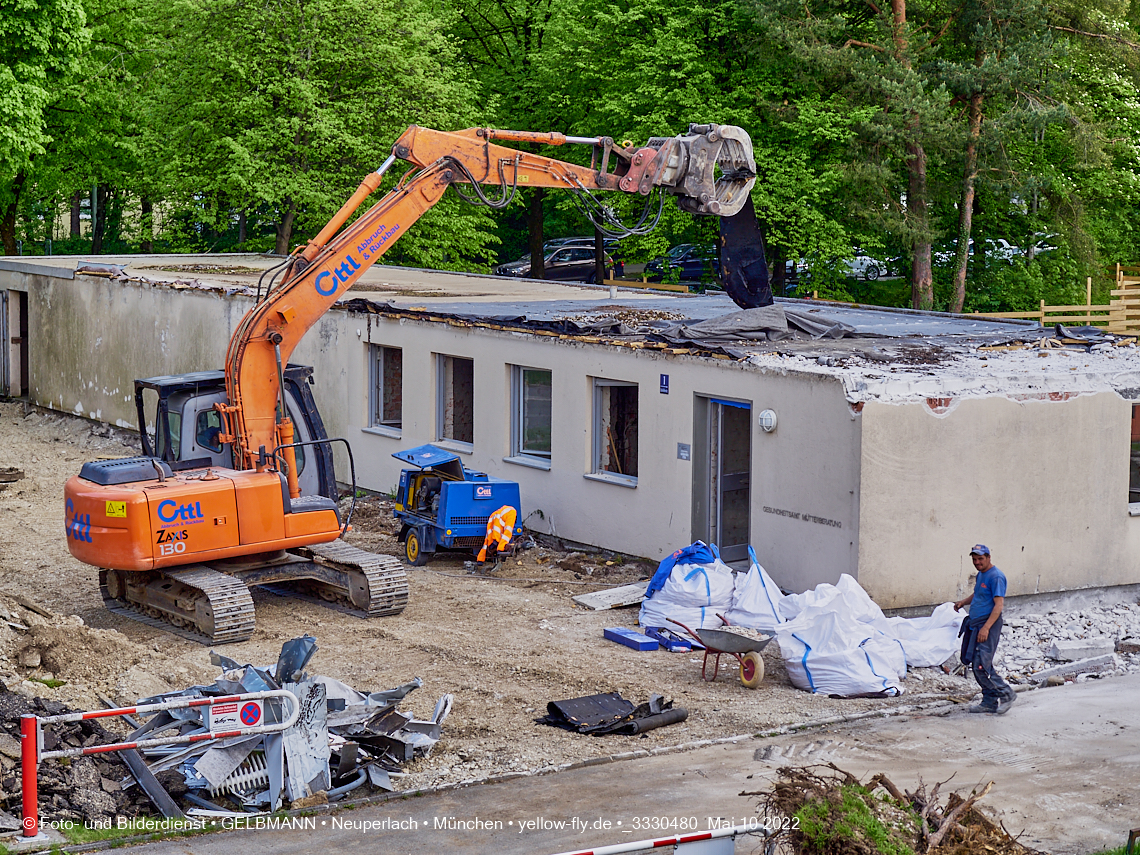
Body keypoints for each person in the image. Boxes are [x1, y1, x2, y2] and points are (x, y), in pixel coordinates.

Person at [953, 544, 1017, 714]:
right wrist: (963, 602)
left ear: (989, 558)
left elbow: (998, 606)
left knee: (982, 666)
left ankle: (1006, 694)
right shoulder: (982, 574)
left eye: (980, 559)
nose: (977, 562)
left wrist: (986, 628)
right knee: (977, 664)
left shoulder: (996, 577)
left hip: (987, 625)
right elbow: (978, 594)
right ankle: (989, 701)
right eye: (974, 559)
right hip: (976, 624)